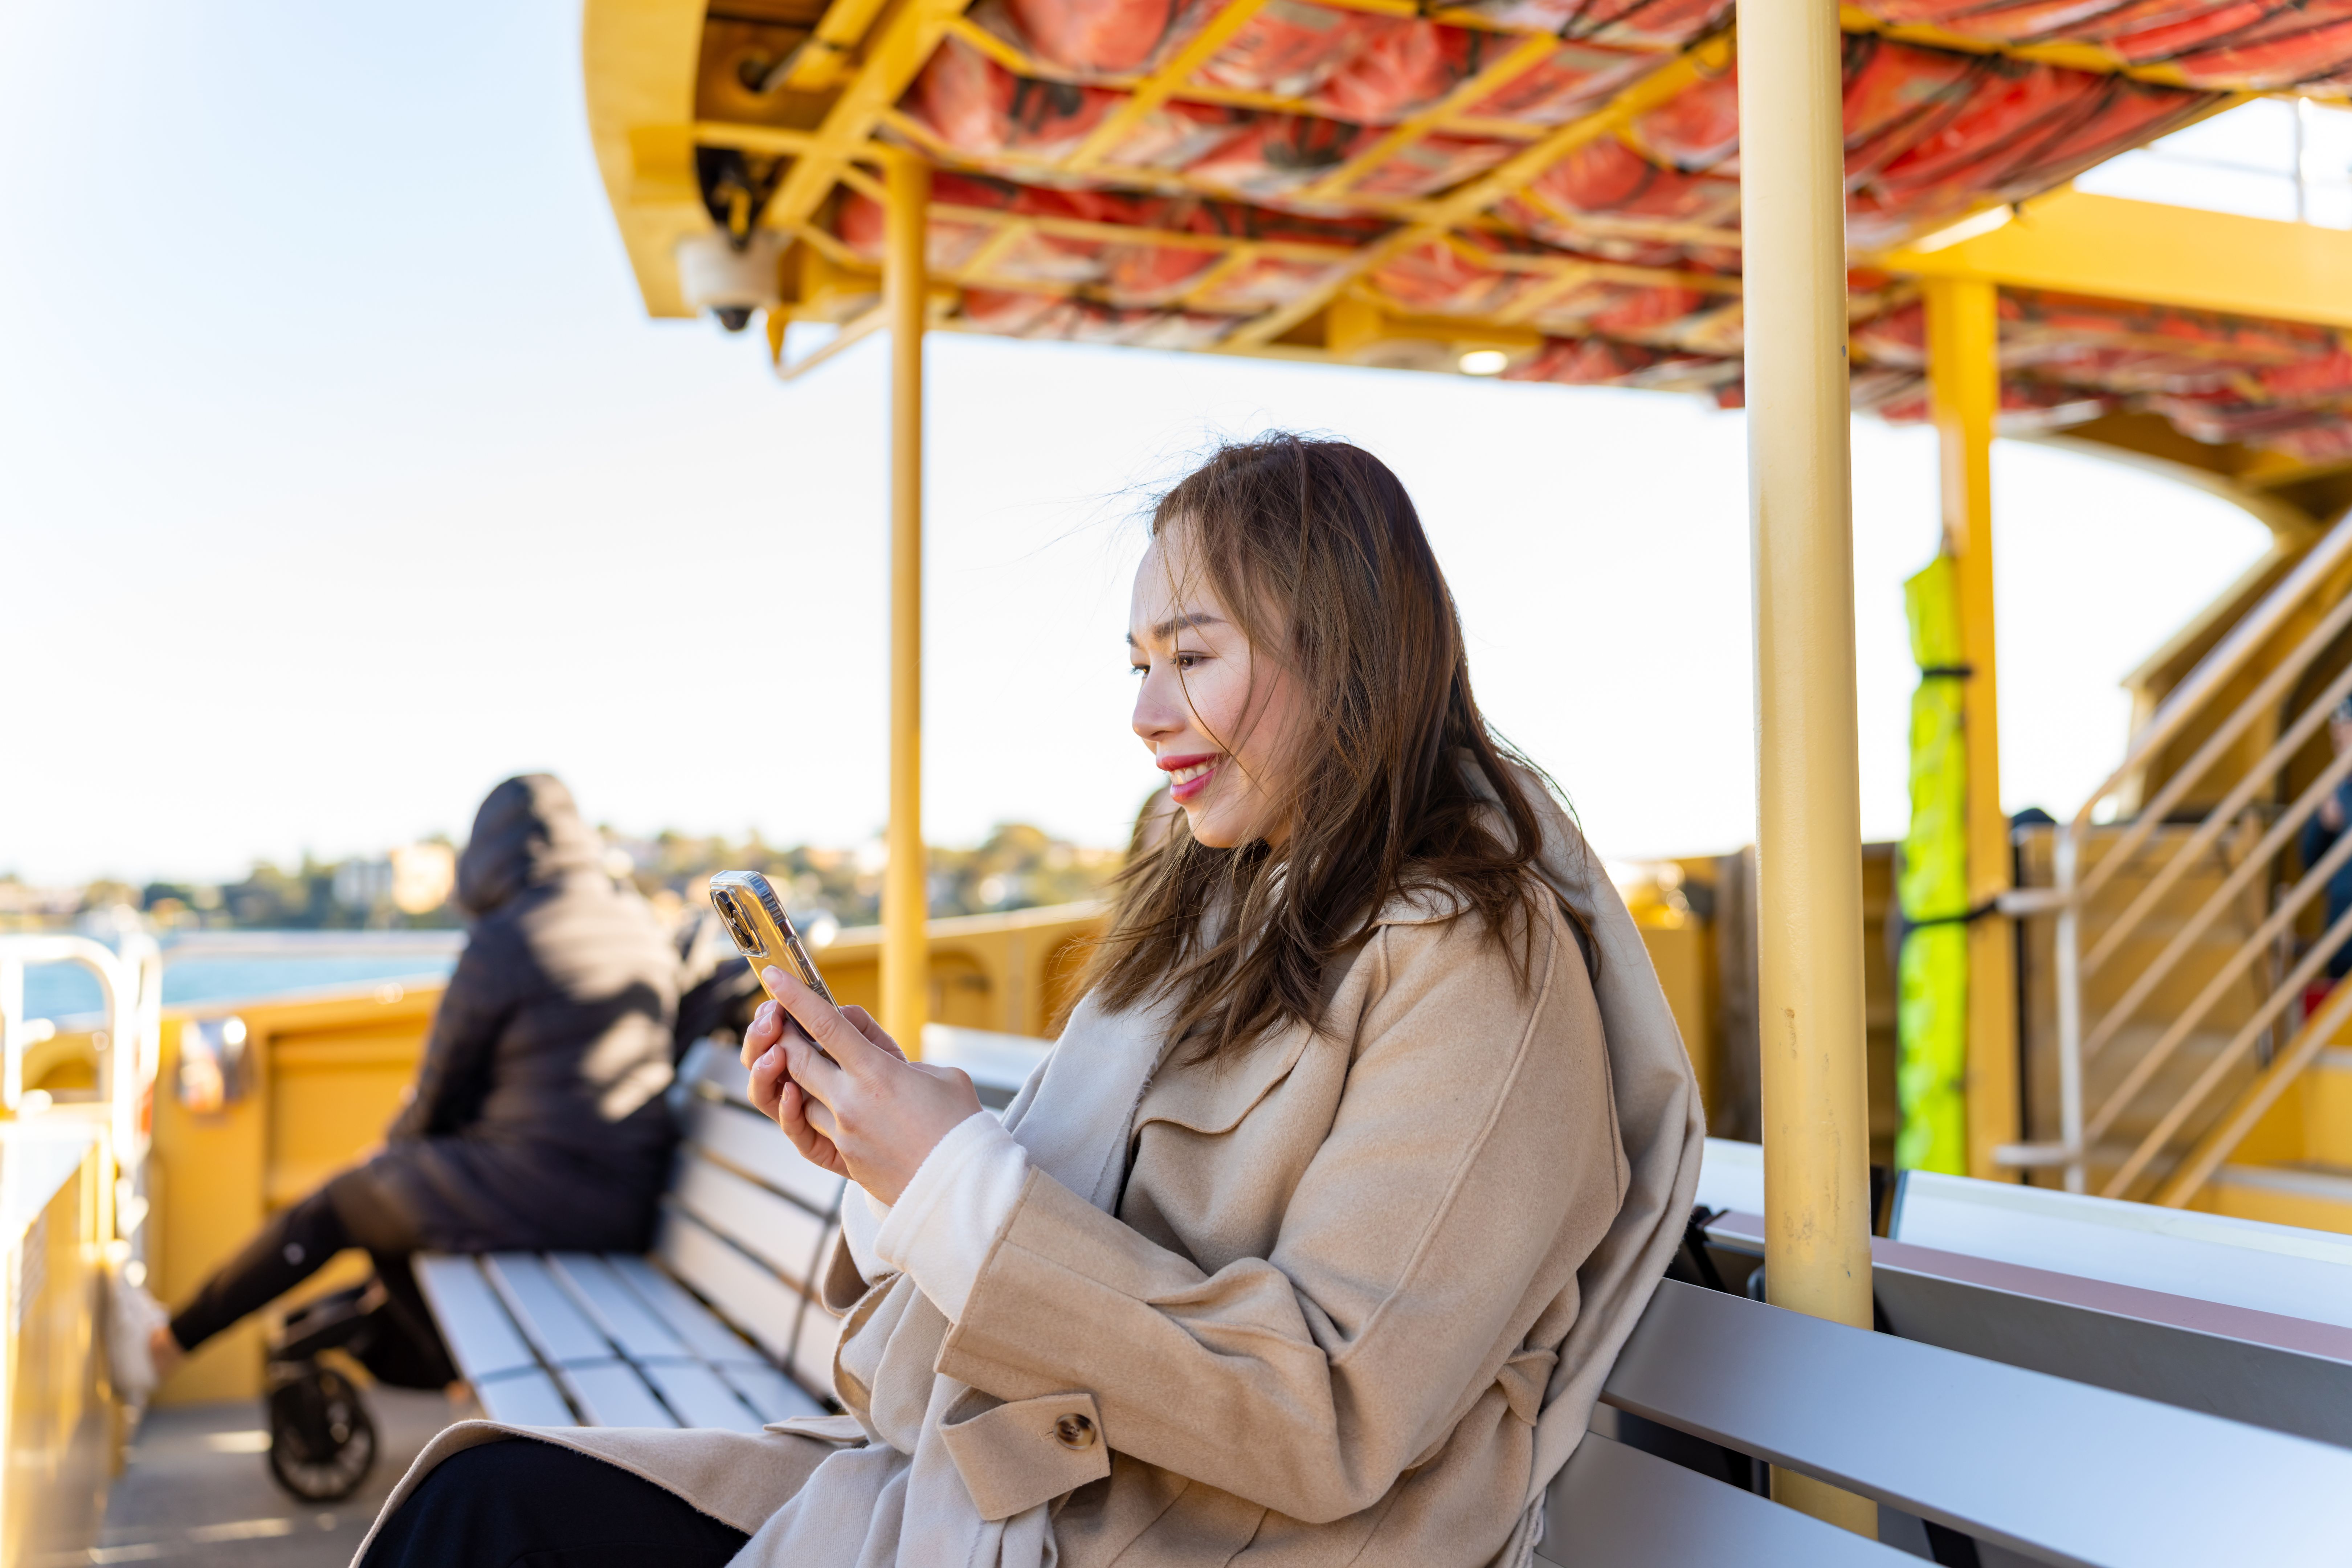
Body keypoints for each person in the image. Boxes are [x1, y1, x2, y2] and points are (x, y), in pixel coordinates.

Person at [353, 437, 1703, 1568]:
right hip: (995, 1506)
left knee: (489, 1526)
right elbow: (898, 1376)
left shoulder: (1477, 961)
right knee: (481, 1505)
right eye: (1137, 662)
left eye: (1192, 654)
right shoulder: (1215, 926)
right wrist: (892, 1165)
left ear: (1342, 646)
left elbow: (1331, 1411)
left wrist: (954, 1181)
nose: (1145, 710)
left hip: (1156, 1542)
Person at [146, 773, 682, 1389]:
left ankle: (169, 1343)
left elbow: (439, 1089)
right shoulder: (641, 925)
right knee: (389, 1199)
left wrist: (388, 1151)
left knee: (340, 1205)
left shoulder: (506, 939)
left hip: (542, 1195)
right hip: (626, 1203)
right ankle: (450, 1370)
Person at [2300, 696, 2352, 988]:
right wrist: (2322, 824)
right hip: (2341, 928)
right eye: (2338, 741)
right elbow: (2310, 859)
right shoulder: (2337, 791)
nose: (2343, 748)